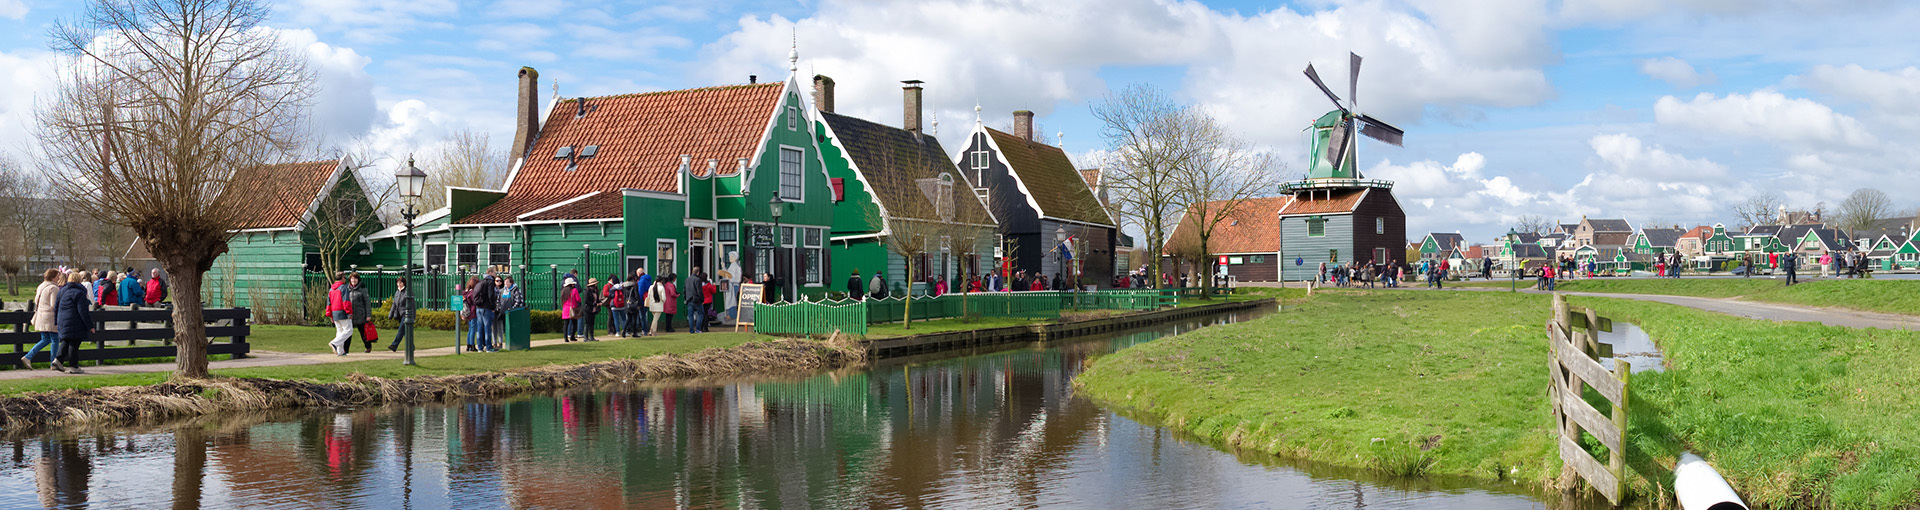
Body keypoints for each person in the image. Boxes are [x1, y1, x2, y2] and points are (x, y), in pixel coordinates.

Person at [20, 269, 63, 370]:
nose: (59, 278)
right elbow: (54, 305)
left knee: (45, 339)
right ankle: (53, 363)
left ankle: (28, 356)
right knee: (55, 339)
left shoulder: (41, 286)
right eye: (57, 276)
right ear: (53, 277)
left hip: (41, 315)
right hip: (50, 317)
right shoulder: (53, 288)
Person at [54, 272, 93, 374]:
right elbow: (83, 311)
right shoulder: (80, 293)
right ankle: (73, 366)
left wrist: (56, 321)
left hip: (62, 319)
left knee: (66, 340)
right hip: (75, 321)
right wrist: (90, 326)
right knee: (74, 343)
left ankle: (58, 360)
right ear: (79, 280)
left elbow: (56, 307)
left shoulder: (62, 291)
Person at [326, 272, 352, 356]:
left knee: (340, 331)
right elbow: (346, 301)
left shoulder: (331, 289)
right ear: (343, 278)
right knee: (349, 330)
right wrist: (349, 312)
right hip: (343, 312)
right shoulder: (343, 288)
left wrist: (330, 314)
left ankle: (340, 351)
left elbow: (329, 303)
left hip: (335, 312)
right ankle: (334, 343)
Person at [386, 278, 415, 352]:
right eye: (398, 283)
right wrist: (390, 314)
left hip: (406, 314)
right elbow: (394, 304)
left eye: (401, 283)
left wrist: (413, 316)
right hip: (399, 314)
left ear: (404, 283)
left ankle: (394, 345)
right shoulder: (397, 292)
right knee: (405, 332)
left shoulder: (408, 292)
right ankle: (411, 346)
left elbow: (412, 305)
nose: (399, 284)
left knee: (401, 330)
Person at [348, 273, 374, 353]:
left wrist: (368, 315)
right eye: (352, 279)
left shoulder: (363, 289)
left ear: (358, 280)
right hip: (350, 315)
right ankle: (346, 349)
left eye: (355, 279)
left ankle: (368, 346)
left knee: (363, 333)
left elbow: (367, 303)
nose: (353, 280)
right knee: (348, 333)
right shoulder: (347, 289)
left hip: (360, 314)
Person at [560, 277, 581, 341]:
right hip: (573, 308)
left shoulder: (563, 291)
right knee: (574, 323)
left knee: (566, 324)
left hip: (565, 309)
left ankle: (565, 338)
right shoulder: (574, 290)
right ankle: (572, 336)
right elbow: (578, 299)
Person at [580, 277, 600, 341]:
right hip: (587, 309)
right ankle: (586, 337)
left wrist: (599, 303)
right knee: (587, 323)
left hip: (593, 309)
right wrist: (594, 304)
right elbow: (586, 301)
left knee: (592, 323)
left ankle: (592, 337)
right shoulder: (587, 291)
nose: (596, 285)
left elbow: (597, 299)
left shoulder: (596, 291)